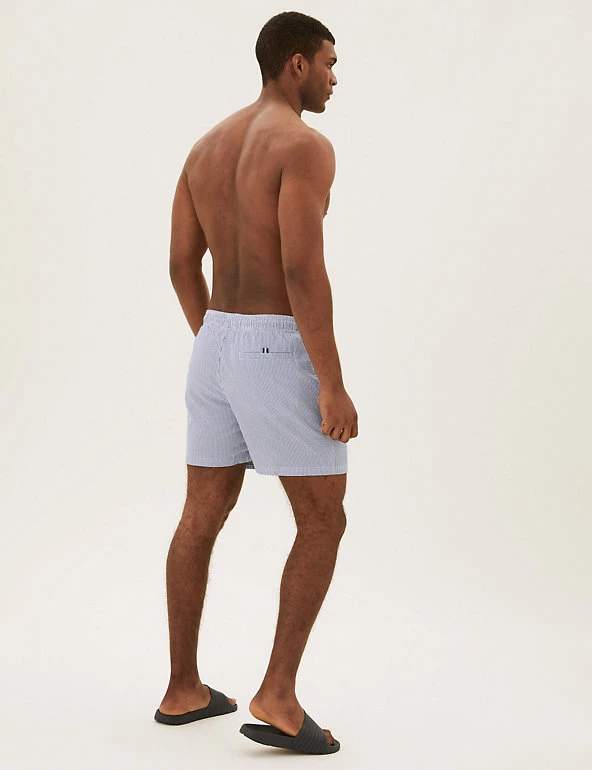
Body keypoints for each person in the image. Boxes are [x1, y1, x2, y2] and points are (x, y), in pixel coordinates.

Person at [153, 11, 358, 755]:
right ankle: (278, 693)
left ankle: (183, 688)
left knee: (200, 513)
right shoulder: (303, 146)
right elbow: (301, 270)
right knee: (323, 519)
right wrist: (331, 383)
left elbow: (181, 264)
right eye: (329, 63)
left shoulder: (205, 147)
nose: (334, 78)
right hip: (275, 341)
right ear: (295, 63)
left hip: (214, 340)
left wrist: (218, 345)